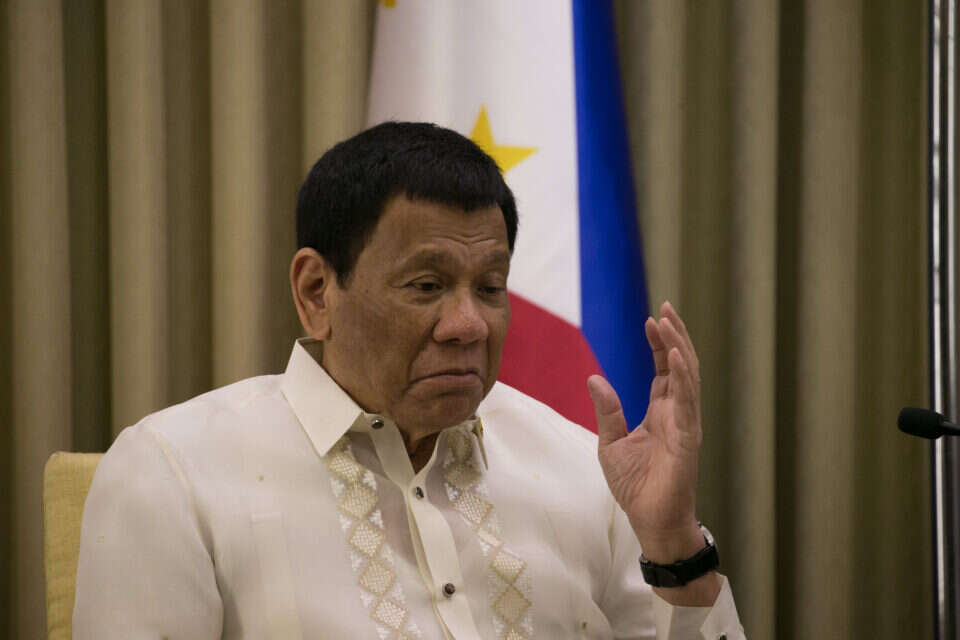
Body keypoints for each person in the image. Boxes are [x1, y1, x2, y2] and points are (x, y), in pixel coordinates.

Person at [74, 122, 745, 639]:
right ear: (316, 292)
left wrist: (672, 546)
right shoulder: (173, 475)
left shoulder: (583, 469)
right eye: (426, 286)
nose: (469, 325)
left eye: (490, 288)